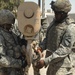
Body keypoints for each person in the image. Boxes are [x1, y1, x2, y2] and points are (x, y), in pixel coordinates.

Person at [36, 0, 75, 75]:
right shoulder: (54, 23)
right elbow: (48, 38)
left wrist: (45, 61)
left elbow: (64, 50)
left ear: (63, 13)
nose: (55, 15)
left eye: (57, 13)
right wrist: (41, 47)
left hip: (63, 68)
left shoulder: (70, 27)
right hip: (52, 64)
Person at [0, 9, 27, 75]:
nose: (11, 26)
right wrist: (20, 63)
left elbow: (18, 43)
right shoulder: (1, 36)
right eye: (9, 24)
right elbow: (1, 59)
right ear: (4, 24)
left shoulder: (11, 33)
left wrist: (23, 43)